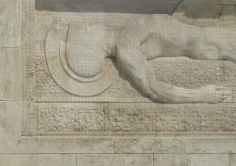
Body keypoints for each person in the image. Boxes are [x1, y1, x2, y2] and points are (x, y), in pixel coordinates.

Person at [64, 15, 233, 103]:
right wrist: (200, 96)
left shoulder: (129, 39)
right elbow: (155, 90)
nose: (94, 26)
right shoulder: (129, 41)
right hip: (211, 42)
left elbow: (155, 90)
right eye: (90, 30)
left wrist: (201, 96)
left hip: (210, 42)